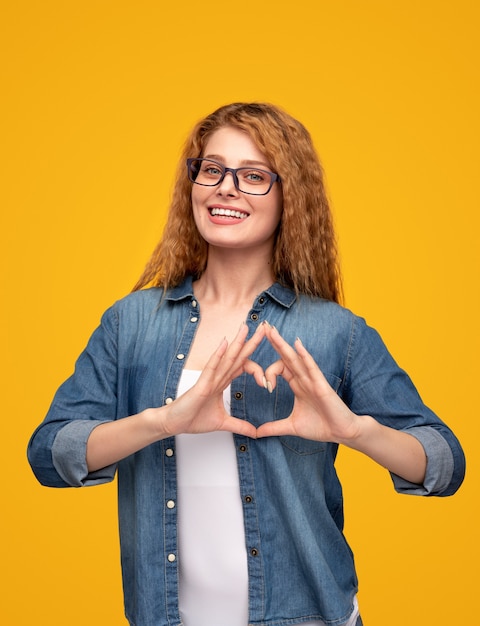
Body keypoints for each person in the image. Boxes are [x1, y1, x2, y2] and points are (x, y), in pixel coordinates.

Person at [27, 102, 465, 626]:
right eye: (212, 169)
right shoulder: (131, 322)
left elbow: (444, 464)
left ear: (290, 198)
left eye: (253, 176)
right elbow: (50, 455)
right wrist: (162, 421)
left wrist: (354, 430)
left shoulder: (335, 332)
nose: (226, 187)